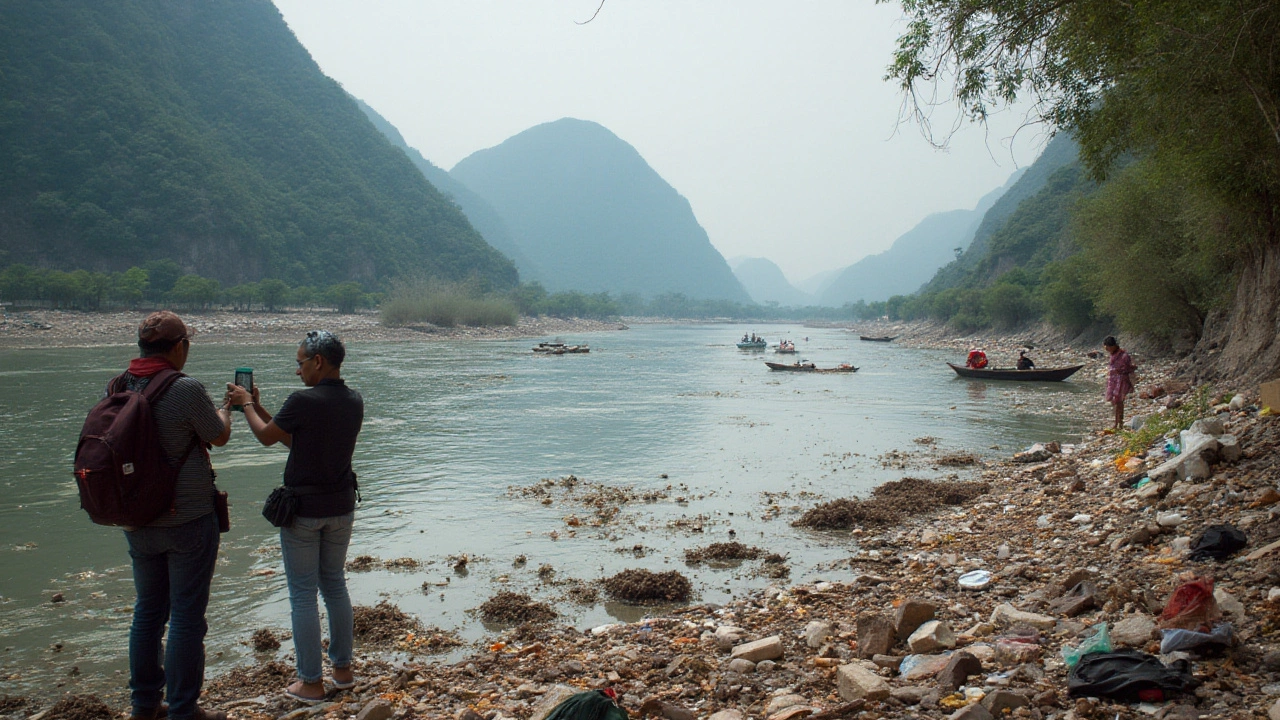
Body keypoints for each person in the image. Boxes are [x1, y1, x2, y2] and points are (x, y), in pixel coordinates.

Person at [226, 330, 363, 703]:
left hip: (303, 513)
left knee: (303, 594)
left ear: (318, 361)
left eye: (300, 362)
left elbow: (267, 438)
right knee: (334, 584)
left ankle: (311, 682)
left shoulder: (303, 400)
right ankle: (343, 671)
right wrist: (260, 408)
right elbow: (292, 437)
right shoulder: (353, 400)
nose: (297, 370)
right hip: (341, 507)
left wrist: (246, 405)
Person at [120, 311, 233, 720]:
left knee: (147, 611)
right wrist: (226, 408)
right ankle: (184, 710)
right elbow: (217, 436)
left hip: (136, 519)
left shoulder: (119, 384)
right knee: (186, 615)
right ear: (179, 347)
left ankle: (145, 705)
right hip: (187, 519)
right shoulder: (184, 388)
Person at [1104, 335, 1137, 430]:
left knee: (1119, 402)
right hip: (1113, 381)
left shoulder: (1124, 355)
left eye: (1108, 347)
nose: (1107, 349)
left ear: (1113, 346)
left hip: (1121, 380)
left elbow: (1127, 368)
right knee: (1115, 402)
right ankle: (1116, 423)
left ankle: (1120, 423)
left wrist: (1119, 371)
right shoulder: (1113, 355)